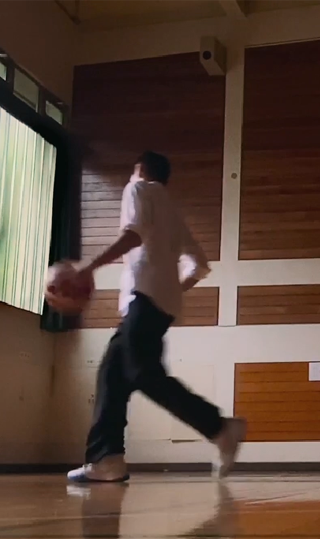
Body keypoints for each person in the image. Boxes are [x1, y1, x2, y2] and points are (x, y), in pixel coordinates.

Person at [65, 151, 246, 483]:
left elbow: (133, 234)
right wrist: (173, 288)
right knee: (112, 375)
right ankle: (107, 459)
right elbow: (200, 265)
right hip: (159, 304)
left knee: (142, 372)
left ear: (140, 169)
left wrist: (88, 266)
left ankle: (218, 427)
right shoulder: (171, 211)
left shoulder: (138, 189)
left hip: (143, 299)